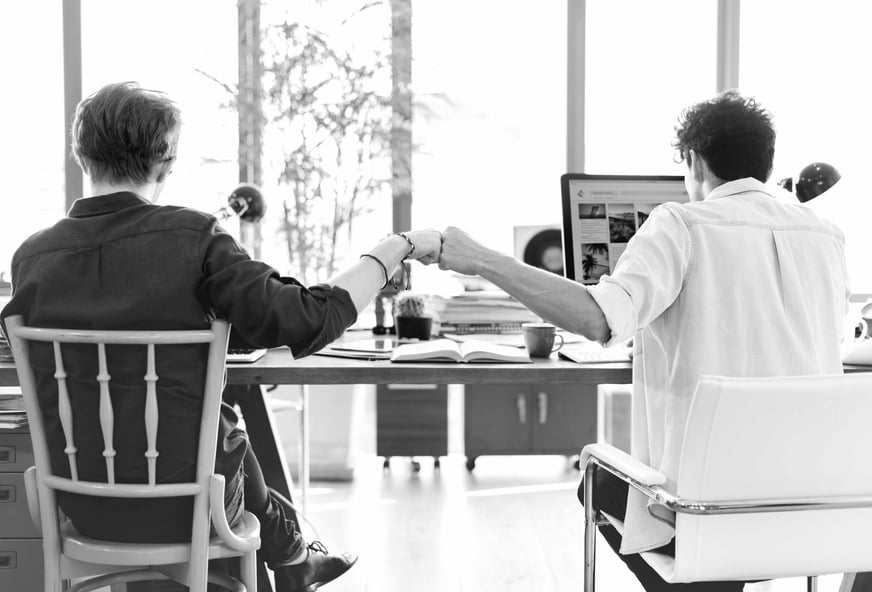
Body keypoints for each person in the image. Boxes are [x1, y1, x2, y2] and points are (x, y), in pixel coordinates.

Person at [0, 81, 441, 592]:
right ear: (166, 162)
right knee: (223, 427)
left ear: (80, 155)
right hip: (188, 507)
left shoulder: (31, 258)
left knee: (221, 426)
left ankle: (294, 557)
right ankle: (293, 558)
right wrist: (394, 248)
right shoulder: (194, 238)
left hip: (80, 507)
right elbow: (309, 319)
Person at [436, 90, 849, 591]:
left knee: (598, 478)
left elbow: (597, 318)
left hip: (703, 518)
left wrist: (483, 259)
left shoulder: (680, 223)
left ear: (693, 162)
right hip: (811, 514)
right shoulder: (826, 235)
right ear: (767, 163)